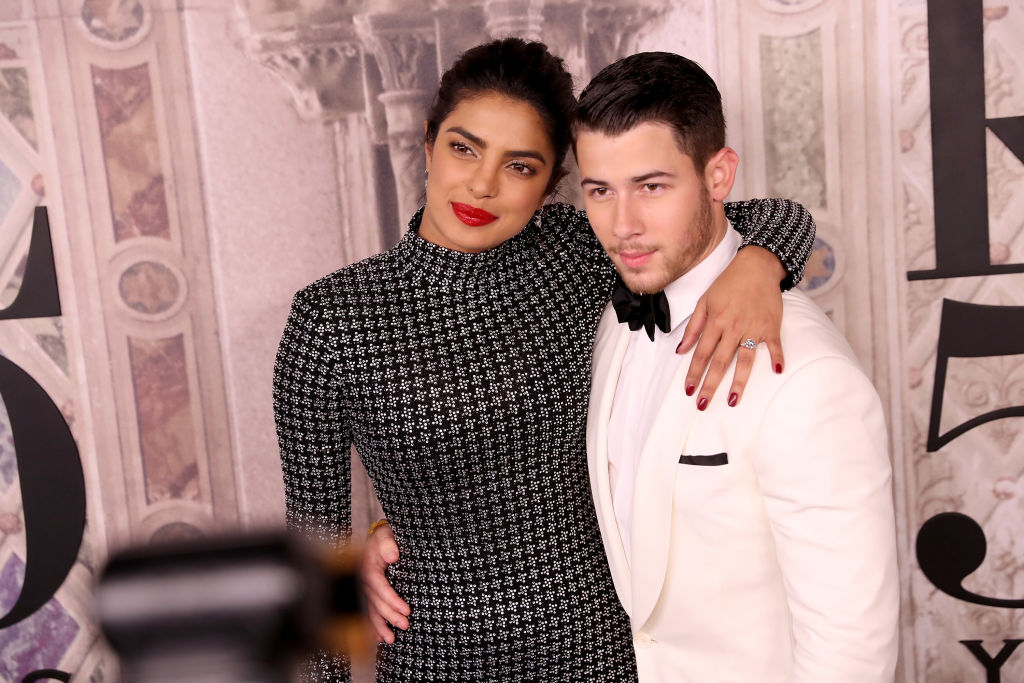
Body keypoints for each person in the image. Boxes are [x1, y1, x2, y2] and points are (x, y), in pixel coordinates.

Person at [274, 38, 814, 681]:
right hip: (435, 664)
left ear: (554, 181)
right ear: (428, 141)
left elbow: (779, 217)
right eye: (464, 148)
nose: (482, 184)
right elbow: (316, 557)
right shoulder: (331, 318)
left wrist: (757, 265)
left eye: (520, 166)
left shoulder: (579, 252)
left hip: (605, 656)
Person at [572, 52, 899, 681]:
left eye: (652, 186)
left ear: (719, 176)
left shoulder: (806, 375)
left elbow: (851, 646)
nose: (622, 225)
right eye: (600, 191)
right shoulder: (612, 317)